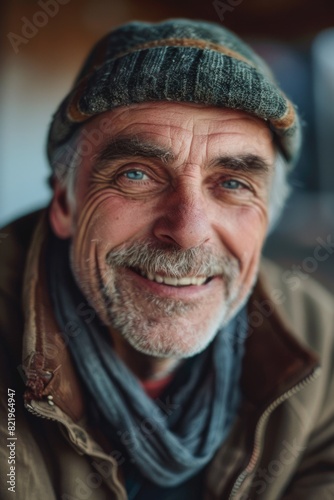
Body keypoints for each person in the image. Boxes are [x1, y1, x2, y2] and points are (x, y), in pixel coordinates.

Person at [0, 18, 333, 500]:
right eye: (136, 174)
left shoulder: (317, 336)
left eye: (234, 184)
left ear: (267, 219)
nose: (188, 232)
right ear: (65, 203)